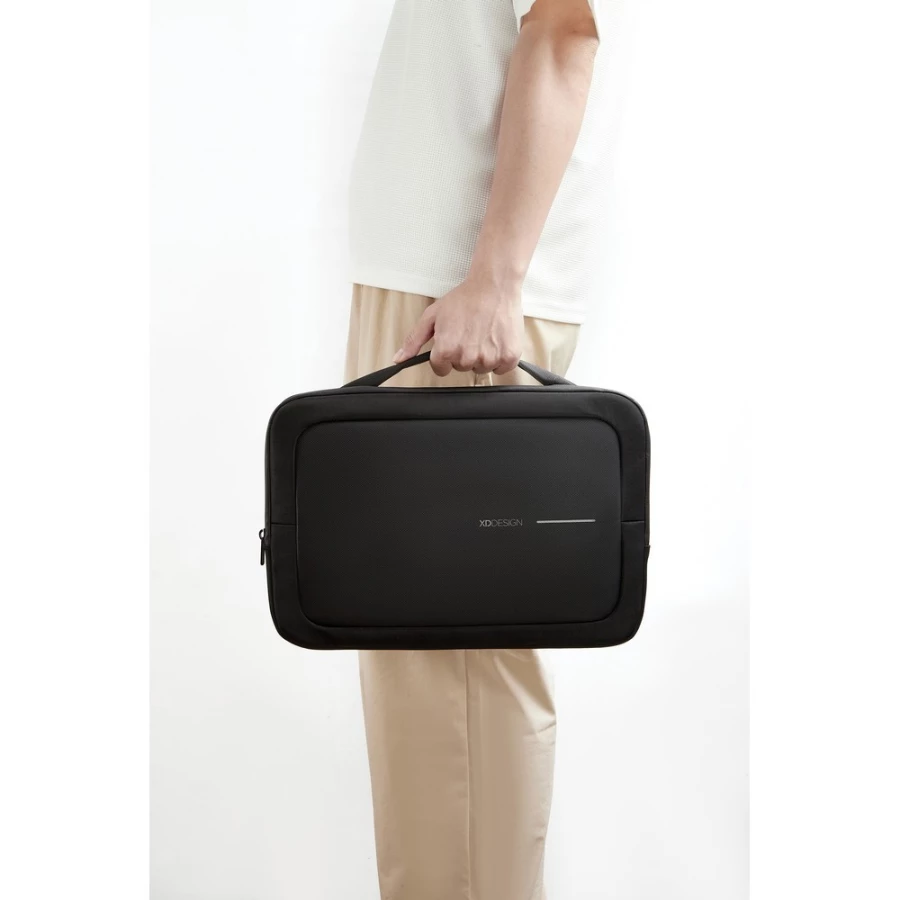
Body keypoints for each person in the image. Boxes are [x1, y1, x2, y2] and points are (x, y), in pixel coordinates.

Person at [343, 1, 616, 897]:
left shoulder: (473, 293)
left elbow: (565, 29)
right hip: (437, 291)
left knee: (454, 679)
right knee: (423, 680)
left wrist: (495, 277)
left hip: (458, 306)